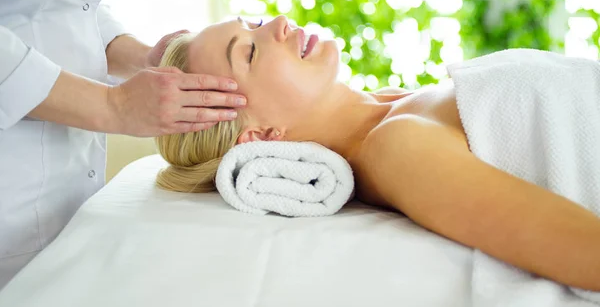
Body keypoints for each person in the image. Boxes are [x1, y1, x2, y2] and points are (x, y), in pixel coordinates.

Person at [153, 15, 600, 292]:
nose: (278, 23)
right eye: (249, 51)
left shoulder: (391, 103)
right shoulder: (395, 148)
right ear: (261, 137)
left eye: (251, 22)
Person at [0, 0, 246, 288]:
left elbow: (73, 7)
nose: (281, 24)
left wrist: (143, 56)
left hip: (67, 199)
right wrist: (112, 105)